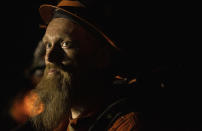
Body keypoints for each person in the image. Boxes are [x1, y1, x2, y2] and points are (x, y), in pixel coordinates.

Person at [28, 0, 141, 131]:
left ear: (102, 57)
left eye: (66, 44)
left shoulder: (127, 125)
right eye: (48, 45)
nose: (49, 57)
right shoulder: (60, 122)